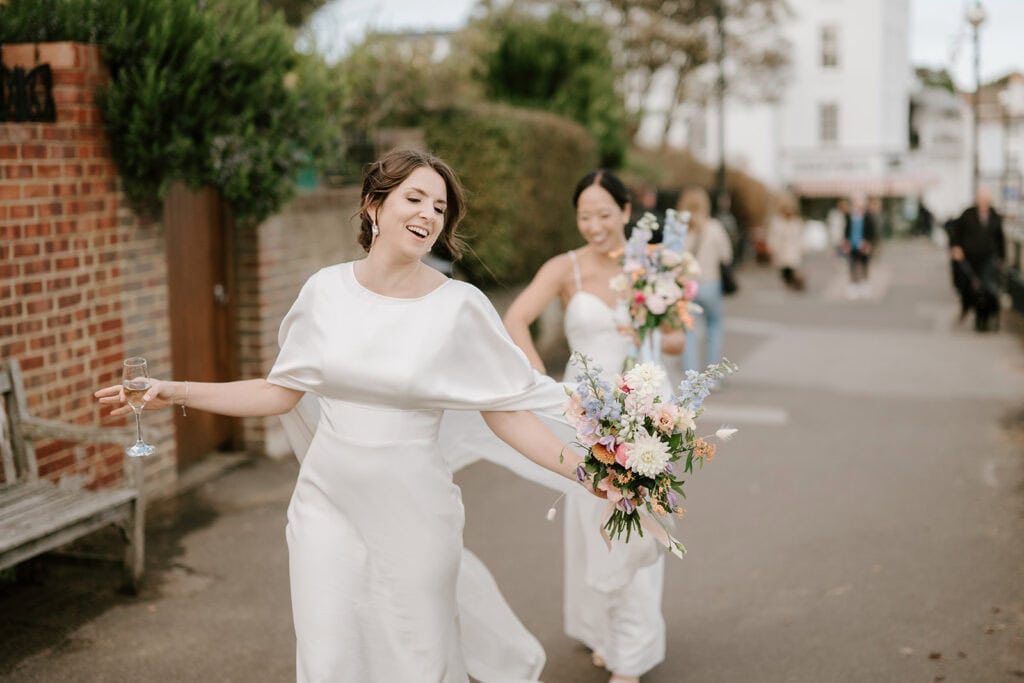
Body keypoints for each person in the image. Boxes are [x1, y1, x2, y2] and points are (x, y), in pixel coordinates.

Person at [96, 149, 603, 683]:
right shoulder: (324, 291)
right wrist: (172, 390)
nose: (428, 215)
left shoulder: (460, 307)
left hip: (416, 516)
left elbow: (509, 414)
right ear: (373, 206)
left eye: (440, 207)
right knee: (329, 659)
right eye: (414, 198)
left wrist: (591, 472)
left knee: (412, 659)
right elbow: (278, 391)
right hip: (326, 509)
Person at [503, 169, 684, 683]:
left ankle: (634, 651)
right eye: (585, 216)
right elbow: (515, 318)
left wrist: (644, 325)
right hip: (583, 416)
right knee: (593, 526)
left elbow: (673, 342)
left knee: (639, 520)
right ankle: (606, 633)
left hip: (648, 407)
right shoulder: (564, 267)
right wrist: (541, 384)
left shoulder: (652, 265)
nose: (595, 225)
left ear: (627, 212)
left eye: (605, 214)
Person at [678, 186, 733, 374]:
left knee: (689, 332)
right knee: (714, 327)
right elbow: (726, 256)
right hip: (710, 283)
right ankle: (713, 377)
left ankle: (691, 378)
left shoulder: (679, 230)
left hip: (687, 286)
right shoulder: (714, 227)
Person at [949, 188, 1006, 331]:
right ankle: (975, 315)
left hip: (988, 258)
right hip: (970, 258)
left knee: (988, 288)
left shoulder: (995, 216)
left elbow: (1000, 238)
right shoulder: (967, 214)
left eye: (985, 199)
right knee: (971, 288)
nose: (983, 202)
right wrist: (956, 247)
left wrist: (1001, 258)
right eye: (981, 199)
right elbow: (956, 233)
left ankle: (988, 318)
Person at [767, 192, 806, 291]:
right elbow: (774, 237)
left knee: (792, 267)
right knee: (785, 269)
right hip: (782, 251)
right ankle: (790, 282)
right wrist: (773, 248)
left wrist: (802, 248)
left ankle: (795, 283)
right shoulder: (778, 223)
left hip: (793, 250)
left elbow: (801, 237)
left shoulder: (796, 223)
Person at [841, 194, 877, 299]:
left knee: (864, 265)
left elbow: (871, 231)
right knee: (852, 266)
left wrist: (867, 243)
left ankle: (864, 285)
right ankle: (853, 286)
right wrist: (846, 242)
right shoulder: (849, 216)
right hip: (852, 245)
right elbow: (846, 231)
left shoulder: (867, 216)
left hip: (863, 245)